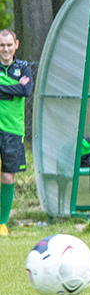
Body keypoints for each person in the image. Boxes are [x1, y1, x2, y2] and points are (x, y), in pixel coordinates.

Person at [0, 29, 32, 237]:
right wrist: (14, 88)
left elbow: (26, 91)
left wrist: (4, 89)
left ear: (16, 45)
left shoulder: (24, 67)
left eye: (9, 45)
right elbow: (18, 90)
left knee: (8, 177)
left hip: (13, 130)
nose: (5, 49)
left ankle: (2, 223)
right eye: (2, 45)